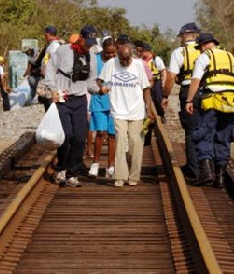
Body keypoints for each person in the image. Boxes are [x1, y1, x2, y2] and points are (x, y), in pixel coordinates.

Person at [45, 25, 103, 187]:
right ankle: (61, 169)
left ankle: (73, 173)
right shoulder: (64, 50)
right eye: (87, 42)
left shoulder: (91, 55)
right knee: (66, 136)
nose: (89, 45)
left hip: (80, 100)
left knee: (79, 137)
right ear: (81, 38)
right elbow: (50, 70)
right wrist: (53, 89)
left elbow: (91, 82)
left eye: (92, 43)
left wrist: (100, 90)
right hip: (63, 98)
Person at [185, 32, 234, 188]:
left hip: (212, 100)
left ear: (203, 45)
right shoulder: (230, 57)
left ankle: (207, 174)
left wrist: (189, 100)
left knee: (204, 134)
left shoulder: (205, 57)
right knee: (223, 137)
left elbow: (196, 80)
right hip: (230, 102)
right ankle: (220, 178)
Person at [98, 42, 153, 187]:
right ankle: (120, 176)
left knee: (136, 144)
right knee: (120, 142)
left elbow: (146, 89)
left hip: (136, 111)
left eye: (127, 60)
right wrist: (104, 87)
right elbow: (100, 80)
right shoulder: (111, 64)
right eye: (122, 60)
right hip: (118, 110)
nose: (125, 62)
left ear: (132, 57)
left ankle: (134, 176)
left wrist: (149, 109)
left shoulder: (139, 65)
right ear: (118, 56)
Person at [163, 22, 201, 182]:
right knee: (206, 129)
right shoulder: (207, 51)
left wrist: (165, 95)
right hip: (207, 92)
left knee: (191, 131)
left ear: (183, 36)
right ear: (196, 35)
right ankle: (207, 167)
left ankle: (193, 169)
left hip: (188, 92)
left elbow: (171, 76)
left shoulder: (179, 52)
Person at [88, 37, 117, 178]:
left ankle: (111, 166)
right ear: (103, 50)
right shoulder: (95, 59)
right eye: (108, 53)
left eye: (113, 53)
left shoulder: (119, 60)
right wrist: (101, 88)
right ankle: (95, 163)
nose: (111, 56)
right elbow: (92, 78)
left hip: (115, 102)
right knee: (100, 133)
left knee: (112, 134)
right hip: (99, 99)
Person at [142, 43, 167, 124]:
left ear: (147, 51)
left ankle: (162, 114)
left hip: (156, 82)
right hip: (146, 82)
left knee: (157, 99)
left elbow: (163, 70)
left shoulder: (156, 59)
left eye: (143, 51)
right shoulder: (141, 60)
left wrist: (163, 81)